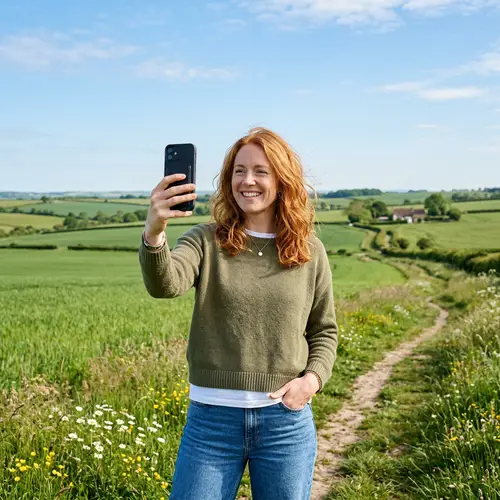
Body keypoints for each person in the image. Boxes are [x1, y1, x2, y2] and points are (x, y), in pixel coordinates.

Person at [139, 127, 338, 500]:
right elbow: (165, 284)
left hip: (284, 422)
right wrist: (155, 231)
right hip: (211, 423)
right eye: (239, 171)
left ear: (282, 180)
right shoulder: (205, 240)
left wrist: (310, 382)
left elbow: (324, 331)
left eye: (261, 171)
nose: (248, 180)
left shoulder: (310, 251)